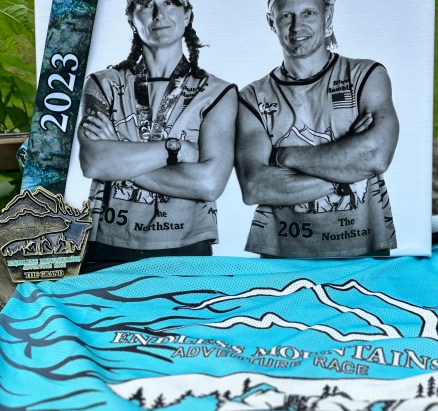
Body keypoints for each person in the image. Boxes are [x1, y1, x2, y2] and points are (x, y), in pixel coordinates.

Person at [235, 0, 399, 258]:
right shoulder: (251, 98)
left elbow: (375, 157)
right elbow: (255, 187)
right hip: (281, 255)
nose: (297, 26)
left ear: (327, 15)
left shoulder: (366, 75)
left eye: (308, 13)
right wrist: (348, 166)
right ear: (271, 22)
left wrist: (283, 156)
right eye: (286, 16)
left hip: (364, 249)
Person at [78, 0, 237, 261]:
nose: (159, 14)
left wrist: (119, 161)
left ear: (187, 15)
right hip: (108, 241)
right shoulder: (102, 84)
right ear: (131, 19)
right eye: (145, 4)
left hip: (186, 244)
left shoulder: (218, 92)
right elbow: (94, 163)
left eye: (169, 3)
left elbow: (209, 184)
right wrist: (177, 150)